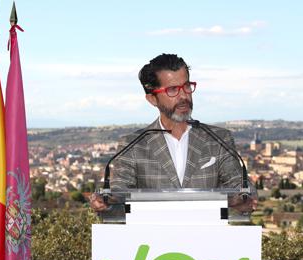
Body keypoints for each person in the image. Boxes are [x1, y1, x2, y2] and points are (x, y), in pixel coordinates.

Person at [91, 53, 253, 210]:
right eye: (173, 90)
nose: (184, 96)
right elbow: (119, 191)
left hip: (207, 234)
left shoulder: (218, 139)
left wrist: (244, 197)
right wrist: (106, 199)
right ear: (152, 99)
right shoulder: (133, 145)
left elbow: (239, 184)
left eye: (187, 86)